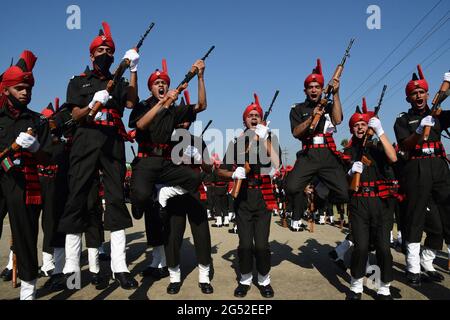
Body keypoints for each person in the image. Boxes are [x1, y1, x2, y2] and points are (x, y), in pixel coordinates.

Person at [57, 21, 139, 289]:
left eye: (109, 50)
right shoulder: (78, 82)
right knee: (77, 197)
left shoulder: (120, 80)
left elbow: (130, 103)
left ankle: (119, 266)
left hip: (113, 140)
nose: (104, 53)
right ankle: (70, 266)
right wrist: (94, 101)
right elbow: (73, 115)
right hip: (86, 138)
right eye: (100, 49)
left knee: (116, 199)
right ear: (91, 55)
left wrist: (134, 69)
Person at [0, 50, 53, 299]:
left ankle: (29, 290)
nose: (25, 92)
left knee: (25, 235)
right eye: (20, 88)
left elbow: (49, 158)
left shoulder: (38, 121)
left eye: (28, 88)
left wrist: (36, 148)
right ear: (6, 90)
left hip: (22, 183)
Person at [216, 93, 280, 298]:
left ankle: (264, 280)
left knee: (261, 244)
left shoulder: (269, 138)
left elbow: (277, 164)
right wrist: (234, 173)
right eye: (250, 115)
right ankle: (244, 279)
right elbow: (220, 171)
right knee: (244, 244)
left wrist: (265, 138)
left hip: (263, 197)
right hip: (243, 197)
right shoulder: (236, 143)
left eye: (257, 115)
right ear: (244, 120)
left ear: (262, 120)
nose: (253, 118)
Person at [393, 66, 450, 287]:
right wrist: (418, 132)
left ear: (428, 94)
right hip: (416, 167)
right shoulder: (403, 119)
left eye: (422, 92)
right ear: (408, 97)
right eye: (414, 93)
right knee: (416, 217)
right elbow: (404, 145)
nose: (418, 96)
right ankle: (413, 267)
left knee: (447, 211)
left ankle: (428, 262)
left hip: (439, 166)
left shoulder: (438, 115)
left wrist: (446, 89)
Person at [285, 59, 349, 231]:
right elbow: (296, 132)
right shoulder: (297, 109)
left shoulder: (329, 105)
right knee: (291, 187)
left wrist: (336, 94)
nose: (314, 90)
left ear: (322, 89)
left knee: (343, 194)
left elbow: (338, 119)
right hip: (309, 153)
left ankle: (322, 186)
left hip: (327, 153)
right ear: (305, 90)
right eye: (310, 87)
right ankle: (319, 185)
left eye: (317, 87)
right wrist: (311, 117)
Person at [344, 105, 397, 300]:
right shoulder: (348, 151)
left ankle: (384, 287)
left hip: (380, 203)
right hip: (359, 203)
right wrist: (350, 173)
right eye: (356, 125)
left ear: (369, 127)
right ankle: (356, 285)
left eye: (363, 124)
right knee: (361, 247)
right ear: (351, 129)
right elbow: (342, 182)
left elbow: (393, 157)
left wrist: (381, 132)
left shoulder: (378, 147)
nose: (360, 127)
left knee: (383, 248)